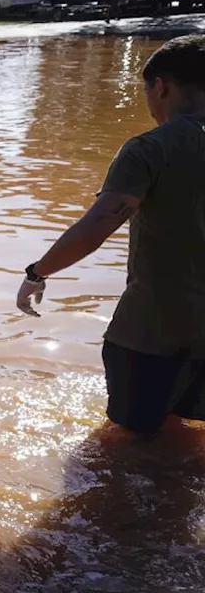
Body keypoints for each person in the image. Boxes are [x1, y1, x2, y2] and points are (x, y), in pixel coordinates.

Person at [15, 35, 205, 438]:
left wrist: (37, 272)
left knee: (128, 446)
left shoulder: (150, 149)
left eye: (146, 91)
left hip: (153, 331)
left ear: (161, 86)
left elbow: (98, 225)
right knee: (181, 435)